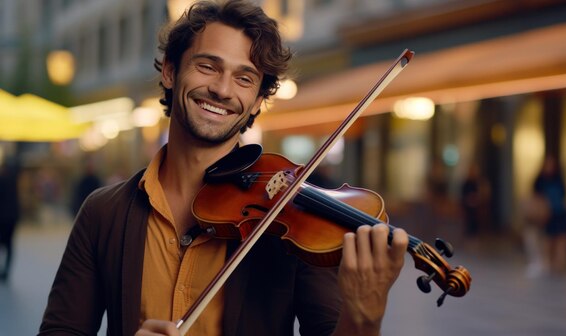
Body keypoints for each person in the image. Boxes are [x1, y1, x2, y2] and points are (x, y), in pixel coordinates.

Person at [39, 1, 409, 335]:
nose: (221, 89)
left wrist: (364, 317)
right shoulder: (104, 212)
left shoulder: (293, 223)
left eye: (244, 78)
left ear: (257, 102)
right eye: (207, 66)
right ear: (170, 71)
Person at [532, 154, 566, 274]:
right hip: (547, 214)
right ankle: (547, 262)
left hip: (559, 213)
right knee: (548, 240)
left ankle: (559, 264)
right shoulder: (540, 181)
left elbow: (564, 197)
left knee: (561, 239)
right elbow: (535, 197)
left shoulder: (559, 180)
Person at [0, 162, 20, 283]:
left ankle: (4, 270)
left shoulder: (2, 180)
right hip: (12, 217)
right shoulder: (13, 180)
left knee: (5, 243)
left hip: (3, 217)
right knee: (9, 244)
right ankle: (6, 270)